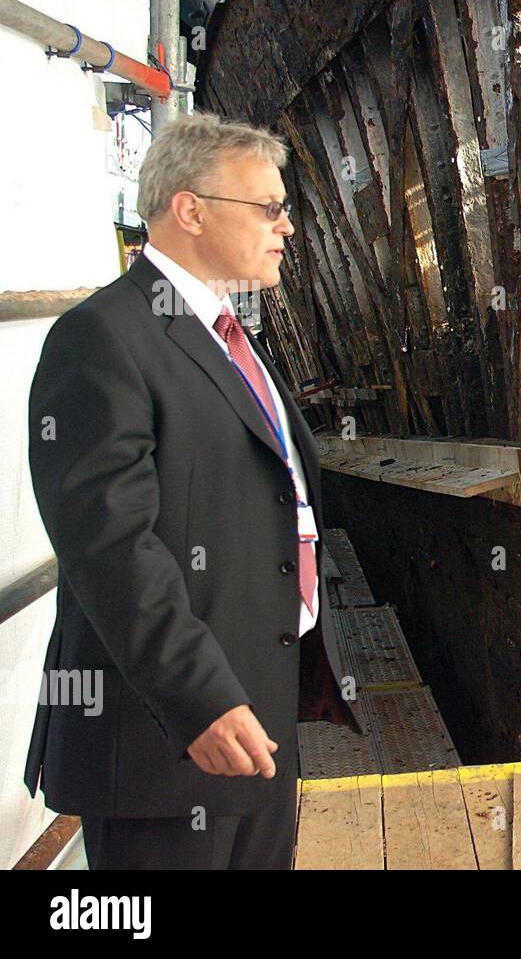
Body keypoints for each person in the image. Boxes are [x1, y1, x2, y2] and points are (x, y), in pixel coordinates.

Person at [25, 112, 358, 869]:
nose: (289, 228)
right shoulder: (103, 338)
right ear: (191, 208)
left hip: (255, 724)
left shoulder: (225, 334)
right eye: (269, 208)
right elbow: (111, 548)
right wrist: (200, 698)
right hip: (171, 740)